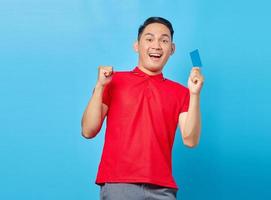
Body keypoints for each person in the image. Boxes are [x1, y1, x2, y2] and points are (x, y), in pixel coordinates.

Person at [81, 16, 204, 200]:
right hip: (119, 183)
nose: (156, 45)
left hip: (163, 189)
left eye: (164, 40)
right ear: (137, 46)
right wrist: (100, 87)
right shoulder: (113, 81)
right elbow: (88, 130)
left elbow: (191, 140)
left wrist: (194, 94)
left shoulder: (181, 92)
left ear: (172, 49)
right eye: (149, 39)